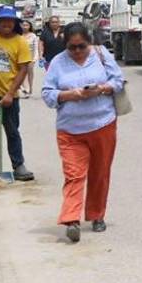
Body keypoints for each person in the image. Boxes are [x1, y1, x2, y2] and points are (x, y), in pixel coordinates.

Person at [40, 22, 124, 243]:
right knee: (74, 175)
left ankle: (97, 215)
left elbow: (118, 81)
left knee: (100, 173)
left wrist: (102, 89)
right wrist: (69, 95)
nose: (77, 51)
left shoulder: (101, 54)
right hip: (70, 130)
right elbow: (48, 94)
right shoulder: (57, 63)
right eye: (72, 47)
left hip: (103, 124)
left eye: (81, 46)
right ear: (65, 45)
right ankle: (71, 219)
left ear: (90, 42)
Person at [0, 4, 35, 181]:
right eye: (3, 21)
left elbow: (23, 70)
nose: (6, 24)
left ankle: (18, 166)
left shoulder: (20, 42)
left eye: (10, 21)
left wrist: (9, 94)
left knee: (12, 131)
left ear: (15, 23)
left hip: (10, 96)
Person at [21, 20, 38, 97]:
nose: (25, 27)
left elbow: (35, 48)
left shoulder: (33, 36)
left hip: (30, 57)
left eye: (26, 25)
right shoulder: (18, 35)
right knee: (22, 73)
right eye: (23, 25)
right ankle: (25, 89)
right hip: (21, 58)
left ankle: (30, 87)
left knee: (30, 73)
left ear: (30, 26)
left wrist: (35, 58)